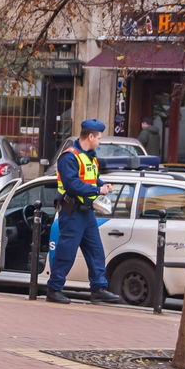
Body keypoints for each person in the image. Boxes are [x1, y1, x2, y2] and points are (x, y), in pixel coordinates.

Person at [46, 119, 122, 305]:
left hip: (86, 212)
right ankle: (54, 289)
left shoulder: (90, 157)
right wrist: (98, 190)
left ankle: (98, 289)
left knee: (96, 251)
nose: (100, 142)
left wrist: (102, 185)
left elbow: (91, 179)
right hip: (72, 211)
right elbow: (72, 185)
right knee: (67, 251)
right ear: (90, 137)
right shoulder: (69, 157)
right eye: (99, 138)